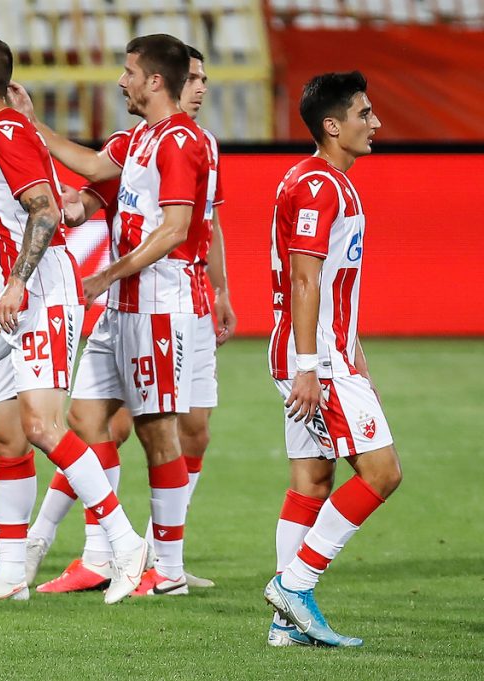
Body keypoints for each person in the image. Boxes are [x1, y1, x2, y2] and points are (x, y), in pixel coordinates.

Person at [0, 34, 148, 604]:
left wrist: (16, 284)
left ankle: (126, 543)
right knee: (6, 436)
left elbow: (44, 212)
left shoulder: (9, 132)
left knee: (41, 426)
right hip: (11, 301)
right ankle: (12, 573)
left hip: (38, 291)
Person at [14, 45, 237, 594]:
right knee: (87, 422)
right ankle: (105, 553)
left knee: (159, 432)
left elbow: (177, 229)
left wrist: (106, 274)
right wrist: (31, 124)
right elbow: (91, 166)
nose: (120, 81)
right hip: (124, 309)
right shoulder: (138, 139)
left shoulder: (184, 143)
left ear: (155, 81)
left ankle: (168, 572)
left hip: (162, 304)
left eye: (129, 73)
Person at [262, 71, 401, 647]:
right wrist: (311, 365)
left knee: (312, 480)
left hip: (324, 351)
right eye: (364, 114)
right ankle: (294, 586)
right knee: (382, 472)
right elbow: (304, 277)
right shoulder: (319, 185)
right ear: (332, 125)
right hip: (315, 358)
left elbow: (336, 281)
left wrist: (353, 348)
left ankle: (283, 626)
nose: (376, 123)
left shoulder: (322, 180)